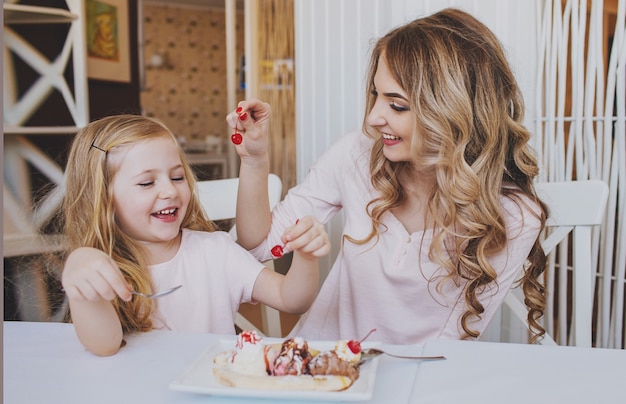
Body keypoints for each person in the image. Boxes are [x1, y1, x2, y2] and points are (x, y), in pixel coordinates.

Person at [227, 8, 548, 345]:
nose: (373, 119)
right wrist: (254, 161)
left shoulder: (514, 216)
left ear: (455, 112)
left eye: (397, 105)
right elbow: (260, 244)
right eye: (376, 96)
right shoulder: (356, 155)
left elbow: (454, 341)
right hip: (318, 363)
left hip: (415, 384)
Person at [60, 114, 330, 357]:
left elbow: (291, 300)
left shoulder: (215, 252)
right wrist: (80, 273)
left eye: (177, 178)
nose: (170, 191)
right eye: (147, 182)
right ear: (102, 199)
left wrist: (306, 256)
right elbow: (104, 346)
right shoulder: (103, 268)